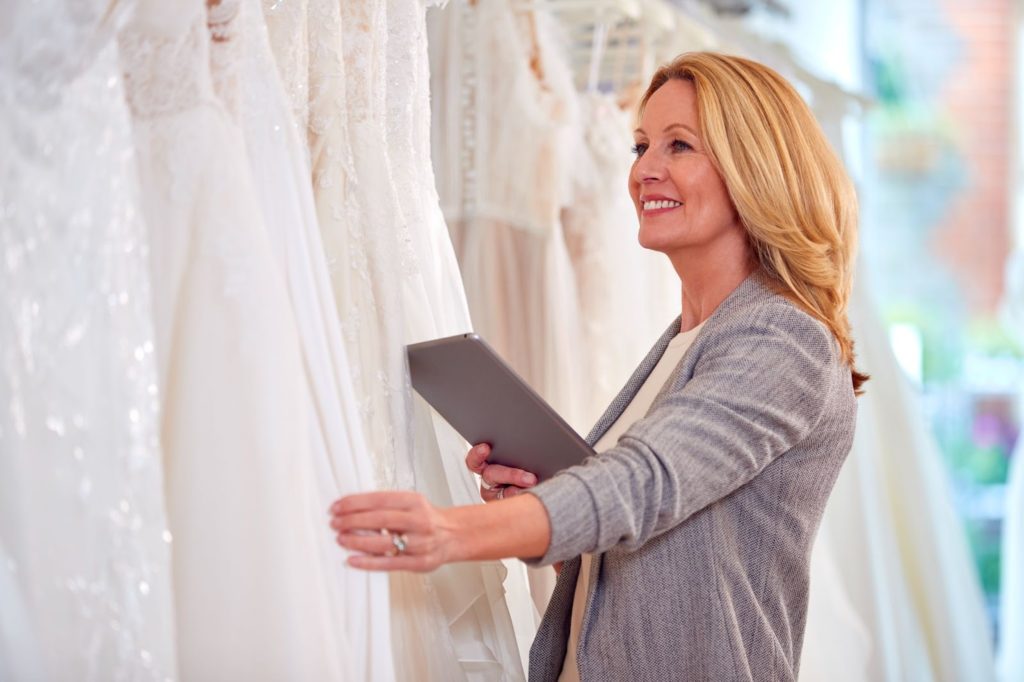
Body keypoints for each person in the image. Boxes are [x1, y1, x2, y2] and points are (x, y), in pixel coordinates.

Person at [329, 51, 867, 681]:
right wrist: (545, 506)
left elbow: (645, 484)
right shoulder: (685, 341)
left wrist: (453, 532)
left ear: (756, 169)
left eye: (680, 146)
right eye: (641, 147)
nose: (646, 171)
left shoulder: (783, 338)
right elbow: (646, 556)